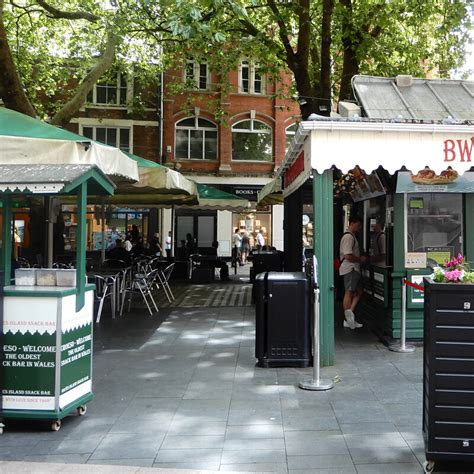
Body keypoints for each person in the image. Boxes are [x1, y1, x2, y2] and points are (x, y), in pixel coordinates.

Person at [339, 215, 367, 330]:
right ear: (352, 223)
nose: (359, 228)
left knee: (358, 292)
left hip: (353, 268)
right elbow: (347, 255)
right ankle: (347, 319)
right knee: (349, 292)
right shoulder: (349, 237)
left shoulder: (351, 236)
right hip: (350, 268)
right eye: (358, 225)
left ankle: (350, 314)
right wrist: (360, 259)